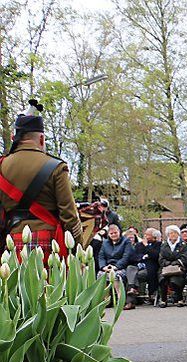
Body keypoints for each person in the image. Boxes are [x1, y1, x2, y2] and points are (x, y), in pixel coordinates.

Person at [0, 100, 84, 257]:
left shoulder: (2, 165)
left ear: (15, 138)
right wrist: (79, 248)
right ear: (41, 139)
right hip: (48, 243)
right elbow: (69, 216)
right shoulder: (56, 167)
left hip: (13, 244)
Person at [98, 223, 138, 310]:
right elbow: (101, 256)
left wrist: (116, 267)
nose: (114, 235)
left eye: (115, 233)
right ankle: (107, 300)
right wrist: (103, 267)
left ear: (119, 232)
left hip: (121, 267)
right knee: (100, 274)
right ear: (108, 234)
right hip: (108, 266)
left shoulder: (126, 241)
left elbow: (126, 257)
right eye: (111, 233)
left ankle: (121, 299)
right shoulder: (105, 243)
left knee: (116, 275)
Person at [157, 225, 187, 307]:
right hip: (165, 268)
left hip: (178, 268)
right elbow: (161, 258)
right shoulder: (164, 245)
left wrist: (174, 263)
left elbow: (184, 258)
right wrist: (167, 264)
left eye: (175, 233)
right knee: (162, 279)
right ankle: (163, 300)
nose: (173, 235)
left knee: (175, 280)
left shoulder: (183, 245)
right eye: (171, 233)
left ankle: (179, 299)